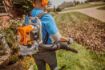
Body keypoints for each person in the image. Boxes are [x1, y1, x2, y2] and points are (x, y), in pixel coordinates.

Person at [24, 0, 65, 70]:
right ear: (43, 2)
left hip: (34, 50)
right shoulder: (46, 16)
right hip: (47, 49)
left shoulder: (27, 16)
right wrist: (68, 39)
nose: (47, 4)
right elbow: (58, 38)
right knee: (54, 67)